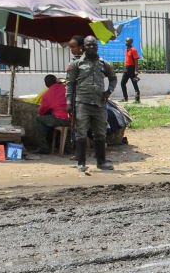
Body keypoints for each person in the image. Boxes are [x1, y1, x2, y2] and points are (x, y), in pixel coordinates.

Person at [66, 35, 117, 171]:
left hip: (99, 104)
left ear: (97, 46)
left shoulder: (103, 64)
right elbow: (70, 84)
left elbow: (113, 78)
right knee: (81, 133)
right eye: (88, 45)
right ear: (84, 47)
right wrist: (68, 102)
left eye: (94, 44)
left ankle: (101, 162)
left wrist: (108, 92)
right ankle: (81, 162)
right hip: (82, 103)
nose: (91, 47)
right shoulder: (76, 64)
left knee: (100, 133)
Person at [32, 75, 69, 153]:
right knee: (48, 118)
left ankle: (44, 147)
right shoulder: (65, 88)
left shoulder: (47, 95)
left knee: (39, 119)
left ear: (46, 84)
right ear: (56, 80)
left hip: (61, 119)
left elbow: (41, 111)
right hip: (73, 118)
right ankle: (60, 145)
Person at [121, 37, 141, 103]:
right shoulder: (126, 50)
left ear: (131, 42)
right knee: (122, 83)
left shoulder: (133, 50)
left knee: (134, 84)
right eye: (126, 41)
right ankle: (125, 98)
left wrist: (136, 70)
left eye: (127, 41)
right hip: (126, 68)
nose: (126, 42)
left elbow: (136, 61)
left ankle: (137, 100)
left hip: (132, 69)